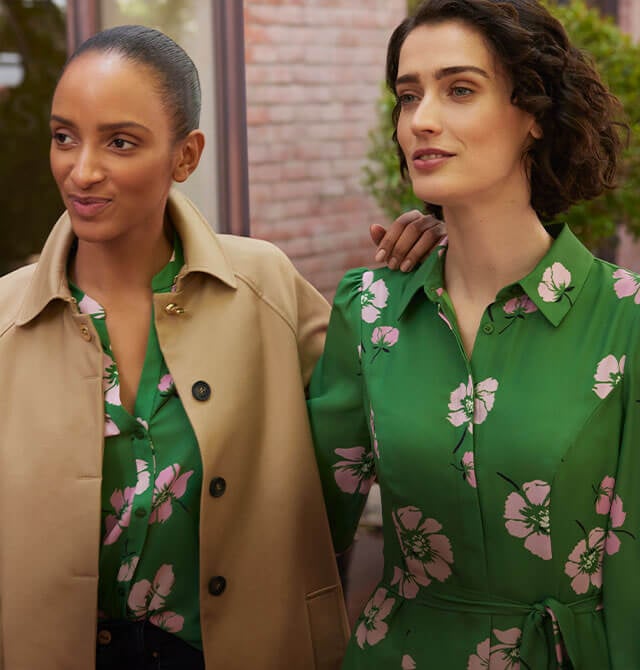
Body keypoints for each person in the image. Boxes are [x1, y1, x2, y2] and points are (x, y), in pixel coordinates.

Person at [0, 25, 440, 670]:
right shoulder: (6, 320)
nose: (82, 169)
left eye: (119, 141)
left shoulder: (264, 286)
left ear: (186, 156)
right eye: (65, 136)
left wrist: (447, 254)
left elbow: (396, 403)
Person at [307, 0, 636, 667]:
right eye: (407, 95)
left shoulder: (624, 320)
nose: (421, 119)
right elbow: (306, 533)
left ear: (535, 116)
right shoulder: (369, 312)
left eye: (460, 89)